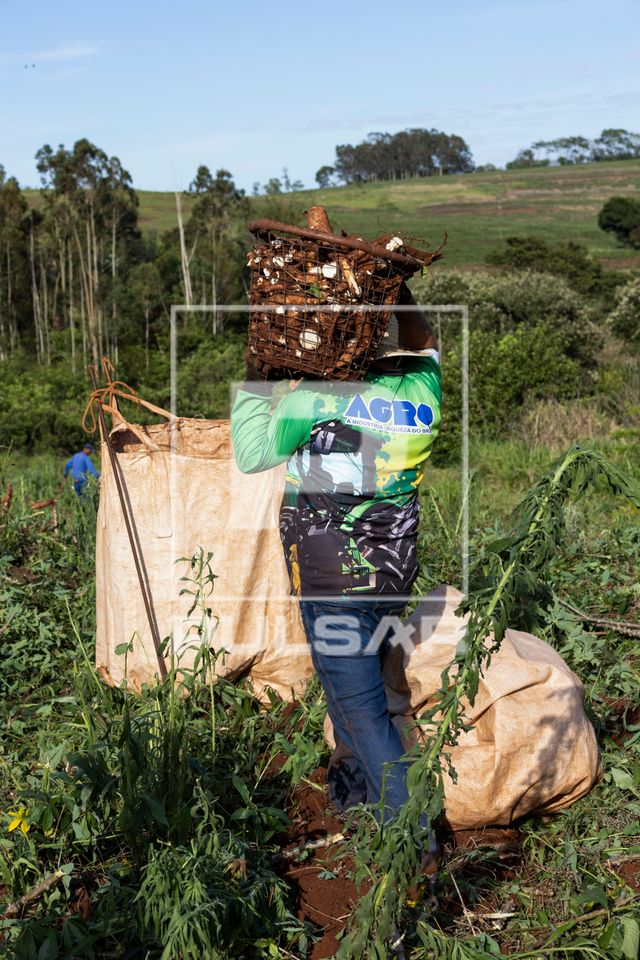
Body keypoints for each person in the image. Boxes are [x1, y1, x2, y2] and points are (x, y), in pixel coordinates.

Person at [230, 283, 441, 823]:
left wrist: (256, 372)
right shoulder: (422, 387)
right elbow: (423, 337)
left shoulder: (315, 399)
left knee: (363, 710)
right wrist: (396, 288)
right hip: (392, 575)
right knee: (349, 687)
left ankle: (417, 843)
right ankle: (355, 800)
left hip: (333, 582)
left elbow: (251, 455)